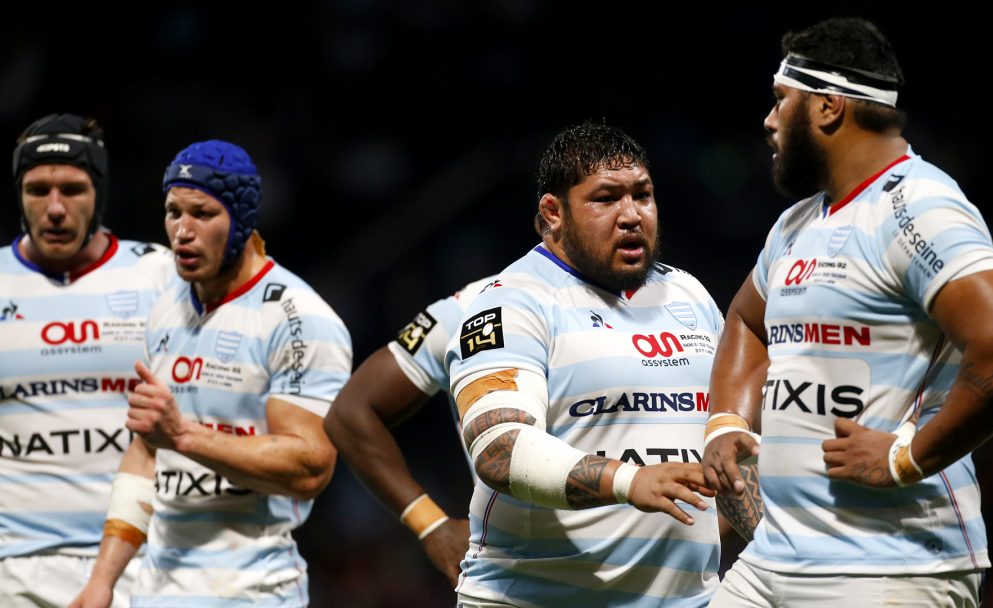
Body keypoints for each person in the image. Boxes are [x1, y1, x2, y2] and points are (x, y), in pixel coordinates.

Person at [702, 18, 993, 607]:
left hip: (892, 566)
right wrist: (728, 422)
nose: (768, 122)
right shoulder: (797, 223)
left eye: (780, 102)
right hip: (771, 560)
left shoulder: (919, 206)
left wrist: (906, 456)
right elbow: (746, 322)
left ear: (828, 108)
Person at [446, 122, 725, 607]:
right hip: (533, 596)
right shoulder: (511, 302)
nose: (631, 215)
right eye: (605, 199)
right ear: (553, 213)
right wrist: (629, 481)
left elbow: (731, 445)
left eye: (643, 195)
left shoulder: (691, 295)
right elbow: (498, 449)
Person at [71, 140, 352, 607]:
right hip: (153, 594)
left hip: (251, 593)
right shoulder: (165, 308)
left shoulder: (299, 319)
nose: (182, 231)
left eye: (202, 213)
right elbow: (145, 453)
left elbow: (310, 467)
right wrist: (103, 580)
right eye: (173, 212)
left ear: (240, 220)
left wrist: (183, 434)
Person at [0, 113, 173, 607]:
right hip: (17, 569)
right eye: (38, 190)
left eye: (73, 189)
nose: (55, 208)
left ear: (99, 192)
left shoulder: (159, 275)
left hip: (148, 564)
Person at [323, 275, 494, 586]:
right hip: (520, 579)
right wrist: (430, 524)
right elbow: (348, 414)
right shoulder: (470, 307)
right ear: (550, 222)